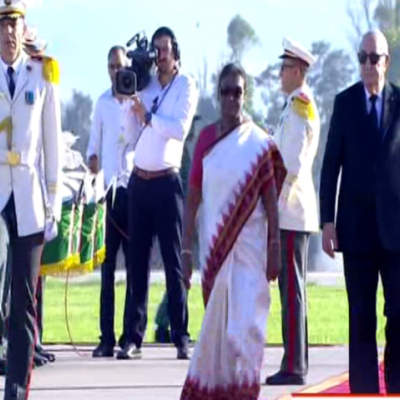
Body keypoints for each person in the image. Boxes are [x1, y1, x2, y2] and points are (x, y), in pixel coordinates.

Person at [180, 63, 286, 400]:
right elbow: (193, 197)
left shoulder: (258, 142)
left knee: (248, 331)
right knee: (222, 333)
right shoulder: (206, 141)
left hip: (251, 253)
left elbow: (271, 198)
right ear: (218, 94)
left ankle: (244, 392)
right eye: (225, 91)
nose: (231, 98)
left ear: (245, 95)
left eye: (237, 92)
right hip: (216, 253)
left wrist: (274, 245)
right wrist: (185, 250)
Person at [320, 29, 400, 394]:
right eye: (362, 57)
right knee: (361, 316)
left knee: (397, 314)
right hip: (355, 230)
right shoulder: (345, 103)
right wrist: (327, 222)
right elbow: (330, 165)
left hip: (396, 230)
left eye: (374, 58)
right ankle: (365, 392)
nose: (368, 65)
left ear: (386, 61)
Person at [123, 26, 198, 360]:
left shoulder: (185, 85)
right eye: (156, 49)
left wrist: (149, 115)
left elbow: (179, 129)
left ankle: (180, 335)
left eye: (165, 49)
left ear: (175, 51)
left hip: (167, 182)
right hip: (140, 181)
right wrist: (131, 103)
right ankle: (132, 337)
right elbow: (130, 134)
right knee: (137, 263)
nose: (160, 55)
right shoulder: (147, 84)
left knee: (172, 263)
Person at [0, 0, 62, 398]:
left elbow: (52, 143)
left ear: (25, 29)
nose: (8, 33)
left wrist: (53, 201)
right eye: (2, 25)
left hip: (27, 197)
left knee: (23, 301)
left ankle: (17, 388)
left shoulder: (42, 74)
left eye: (13, 25)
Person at [266, 38, 320, 386]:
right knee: (291, 288)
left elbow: (294, 163)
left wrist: (275, 200)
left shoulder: (300, 105)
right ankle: (295, 359)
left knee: (292, 290)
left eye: (284, 68)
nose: (280, 73)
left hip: (291, 210)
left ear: (298, 71)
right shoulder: (292, 106)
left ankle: (294, 365)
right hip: (291, 210)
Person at [87, 46, 135, 358]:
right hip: (108, 194)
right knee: (107, 272)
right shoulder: (102, 103)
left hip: (132, 191)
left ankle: (130, 336)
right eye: (110, 67)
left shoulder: (136, 100)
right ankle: (106, 337)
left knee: (134, 269)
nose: (115, 71)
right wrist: (92, 159)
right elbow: (94, 143)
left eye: (119, 66)